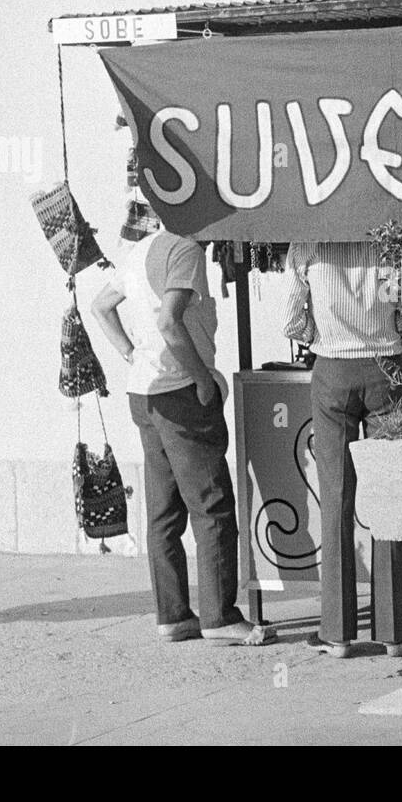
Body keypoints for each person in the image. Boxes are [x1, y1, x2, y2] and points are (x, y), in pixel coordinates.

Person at [91, 204, 273, 646]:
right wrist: (202, 379)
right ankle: (220, 618)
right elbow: (170, 321)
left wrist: (132, 355)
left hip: (145, 393)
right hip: (179, 393)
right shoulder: (185, 250)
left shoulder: (140, 250)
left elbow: (101, 306)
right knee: (212, 506)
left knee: (164, 511)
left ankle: (172, 616)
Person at [283, 240, 402, 659]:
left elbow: (289, 321)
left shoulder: (306, 244)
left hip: (333, 370)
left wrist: (317, 333)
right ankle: (397, 631)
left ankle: (337, 632)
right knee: (389, 497)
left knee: (337, 497)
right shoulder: (393, 243)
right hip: (387, 367)